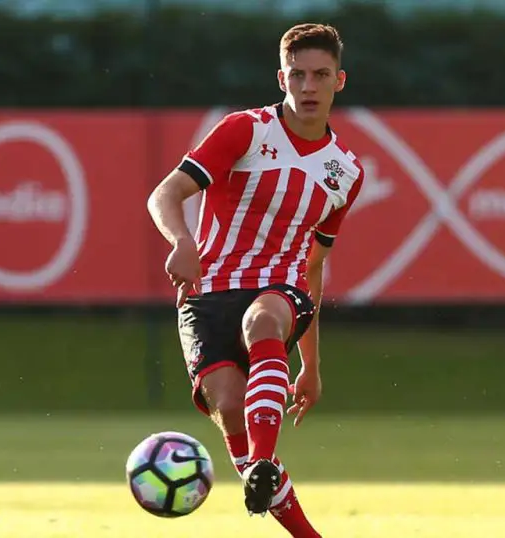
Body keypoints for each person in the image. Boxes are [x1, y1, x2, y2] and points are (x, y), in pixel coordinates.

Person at [147, 22, 364, 537]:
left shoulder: (345, 172)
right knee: (228, 407)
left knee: (262, 320)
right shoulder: (245, 130)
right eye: (297, 75)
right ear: (281, 79)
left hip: (279, 288)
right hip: (206, 295)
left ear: (339, 81)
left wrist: (310, 365)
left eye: (321, 75)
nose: (308, 86)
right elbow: (165, 194)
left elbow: (312, 266)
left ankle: (264, 460)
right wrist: (182, 242)